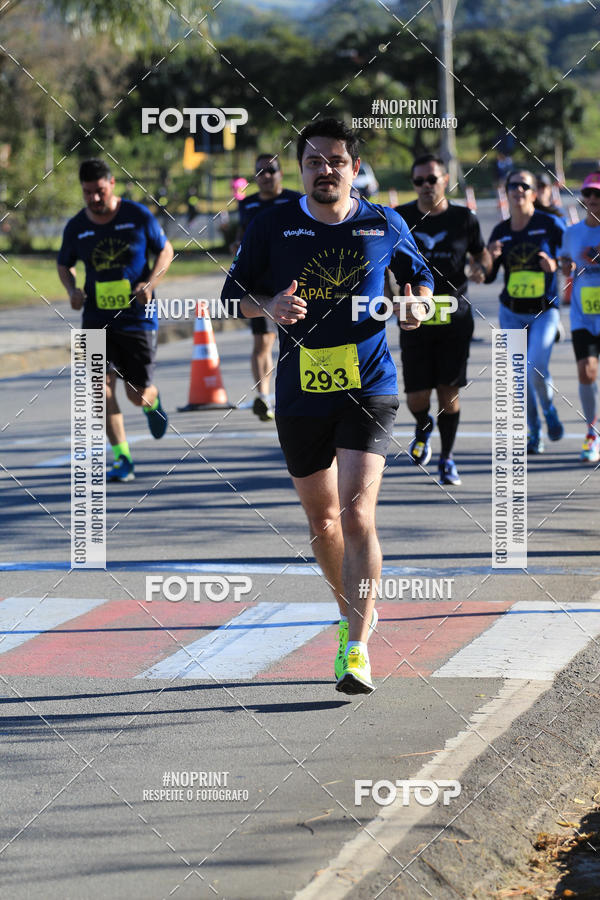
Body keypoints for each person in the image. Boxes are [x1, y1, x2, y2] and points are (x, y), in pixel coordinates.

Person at [221, 118, 433, 694]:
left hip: (370, 385)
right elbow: (230, 299)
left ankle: (358, 649)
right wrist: (267, 308)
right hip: (299, 391)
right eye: (313, 162)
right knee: (322, 523)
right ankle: (352, 616)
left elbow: (422, 278)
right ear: (301, 170)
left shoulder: (383, 222)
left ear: (354, 167)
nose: (325, 170)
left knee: (358, 514)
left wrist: (416, 304)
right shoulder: (272, 225)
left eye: (336, 160)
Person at [57, 159, 174, 482]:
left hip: (137, 317)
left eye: (100, 191)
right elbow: (64, 264)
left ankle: (152, 402)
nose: (94, 198)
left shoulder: (137, 216)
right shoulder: (77, 226)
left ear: (112, 184)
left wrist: (149, 284)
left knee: (136, 394)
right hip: (95, 318)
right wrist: (72, 290)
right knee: (99, 387)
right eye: (87, 193)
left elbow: (166, 251)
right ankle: (122, 458)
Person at [395, 154, 491, 485]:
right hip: (413, 317)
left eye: (431, 180)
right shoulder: (400, 217)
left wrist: (483, 267)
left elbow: (481, 254)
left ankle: (447, 458)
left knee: (448, 393)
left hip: (454, 318)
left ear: (445, 180)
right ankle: (423, 428)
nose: (425, 186)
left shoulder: (465, 218)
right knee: (417, 395)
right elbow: (382, 258)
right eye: (418, 181)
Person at [486, 169, 566, 454]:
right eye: (513, 186)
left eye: (524, 185)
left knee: (536, 368)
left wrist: (554, 266)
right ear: (506, 193)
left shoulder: (551, 224)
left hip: (544, 311)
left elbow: (569, 263)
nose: (518, 189)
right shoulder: (501, 231)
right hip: (511, 312)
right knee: (520, 376)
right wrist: (489, 259)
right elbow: (486, 276)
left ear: (534, 192)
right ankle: (534, 431)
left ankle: (550, 410)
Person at [234, 154, 302, 422]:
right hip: (259, 284)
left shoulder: (295, 199)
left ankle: (298, 392)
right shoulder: (247, 205)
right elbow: (242, 237)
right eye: (259, 172)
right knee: (262, 341)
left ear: (280, 173)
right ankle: (263, 396)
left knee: (295, 340)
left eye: (270, 170)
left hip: (292, 280)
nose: (265, 176)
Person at [559, 172, 600, 462]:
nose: (593, 200)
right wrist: (565, 265)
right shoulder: (572, 232)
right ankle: (591, 432)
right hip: (583, 315)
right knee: (586, 372)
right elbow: (565, 262)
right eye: (588, 194)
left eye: (598, 195)